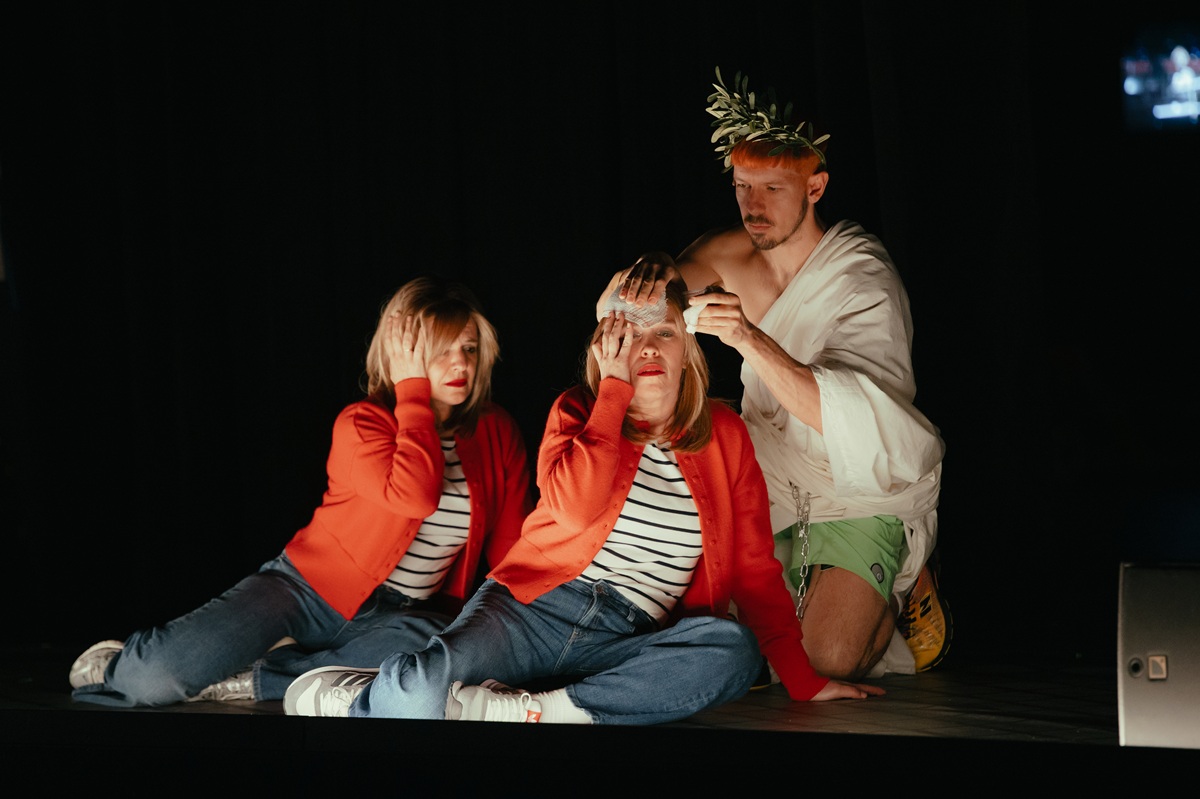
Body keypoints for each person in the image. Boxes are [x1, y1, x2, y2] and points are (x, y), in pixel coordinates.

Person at [282, 279, 884, 722]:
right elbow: (575, 509)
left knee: (731, 651)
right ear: (606, 349)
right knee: (418, 696)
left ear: (688, 349)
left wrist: (803, 681)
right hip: (531, 612)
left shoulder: (725, 436)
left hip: (632, 634)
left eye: (664, 333)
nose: (649, 348)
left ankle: (541, 710)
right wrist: (613, 392)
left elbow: (754, 571)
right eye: (630, 336)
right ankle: (360, 698)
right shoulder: (578, 412)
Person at [598, 68, 949, 681]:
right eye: (742, 187)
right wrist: (652, 267)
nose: (753, 208)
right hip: (771, 472)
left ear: (815, 186)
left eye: (772, 189)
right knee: (725, 639)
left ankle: (907, 580)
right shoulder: (729, 253)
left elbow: (845, 415)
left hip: (856, 482)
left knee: (823, 660)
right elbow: (618, 312)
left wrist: (747, 337)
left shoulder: (863, 276)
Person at [68, 276, 532, 706]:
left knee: (440, 647)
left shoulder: (497, 431)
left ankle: (259, 677)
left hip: (408, 618)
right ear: (403, 354)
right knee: (152, 681)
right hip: (305, 590)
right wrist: (411, 391)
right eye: (441, 350)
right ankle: (119, 662)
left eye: (469, 348)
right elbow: (415, 496)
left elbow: (511, 552)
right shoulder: (362, 423)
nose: (460, 364)